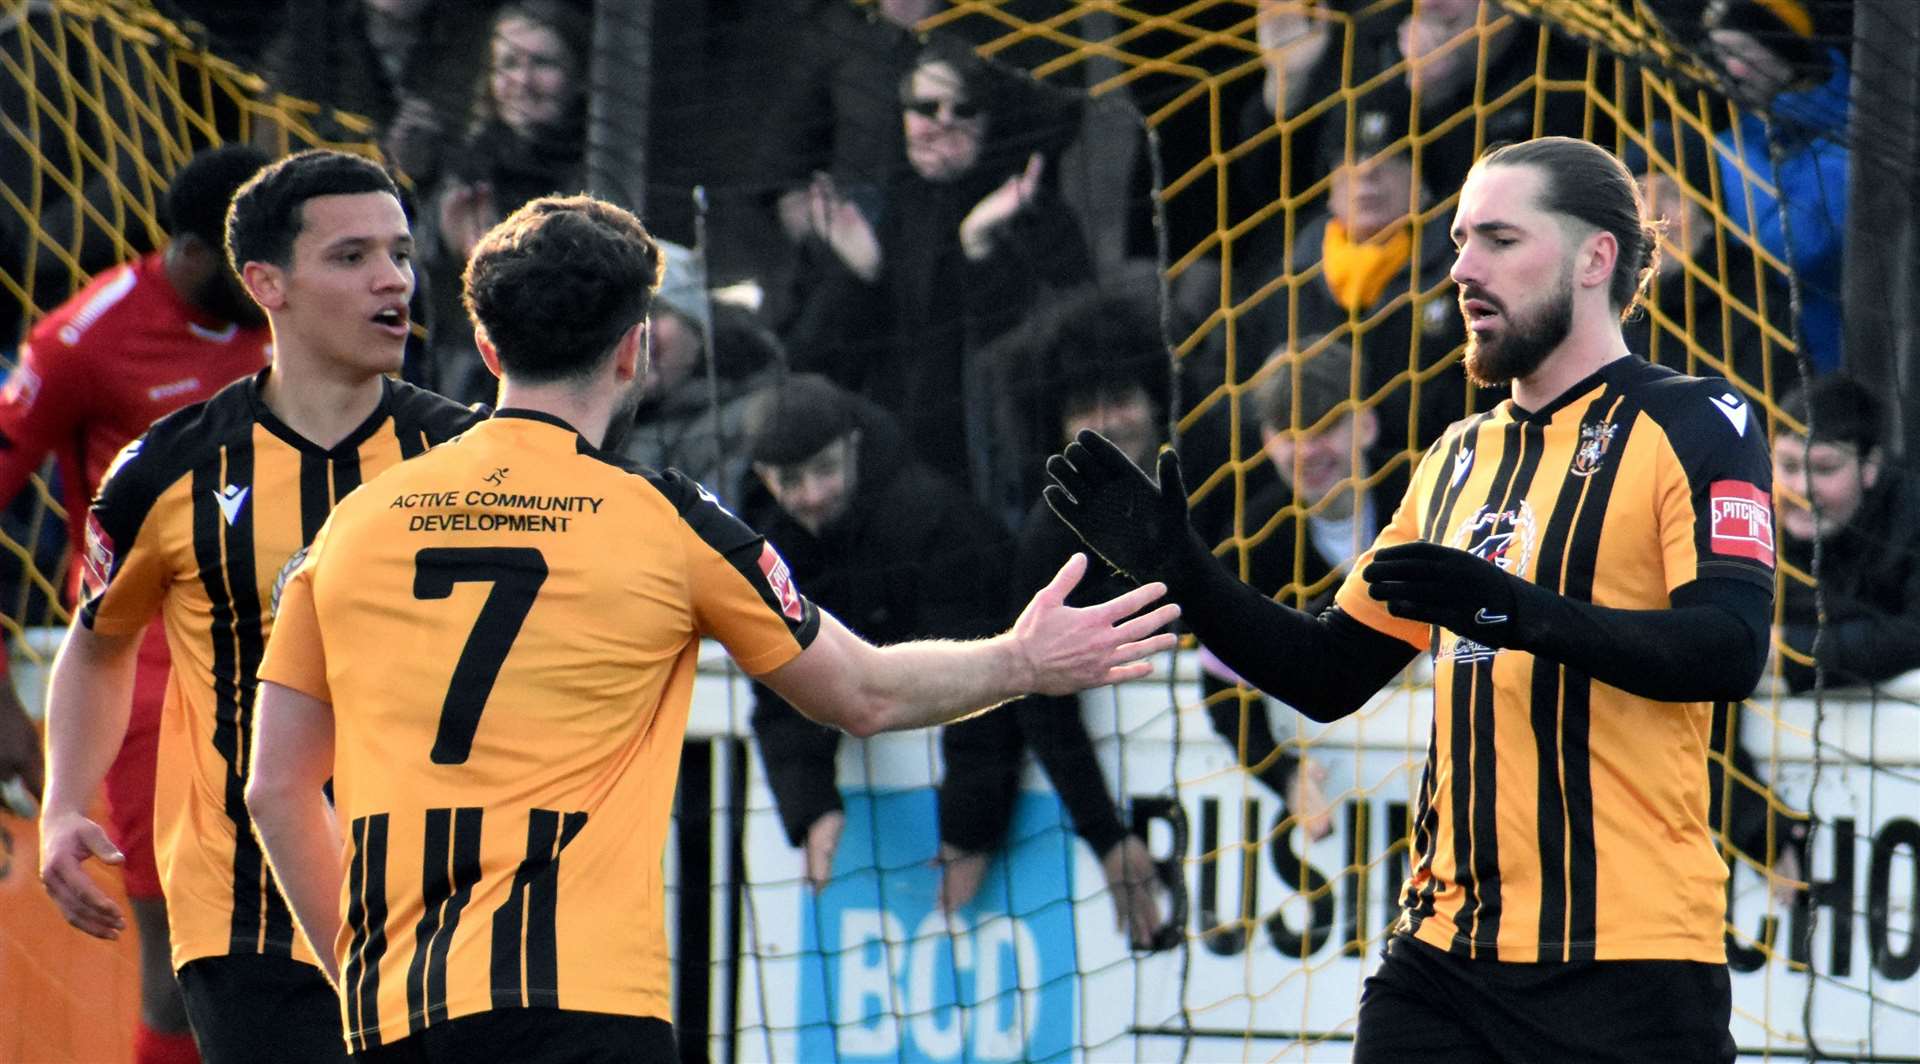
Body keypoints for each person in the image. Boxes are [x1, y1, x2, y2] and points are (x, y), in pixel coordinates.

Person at [243, 193, 1178, 1060]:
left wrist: (362, 975)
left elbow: (276, 789)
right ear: (633, 350)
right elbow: (864, 693)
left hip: (401, 1009)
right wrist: (1021, 658)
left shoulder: (356, 524)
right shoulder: (664, 519)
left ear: (487, 350)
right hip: (587, 1004)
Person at [1045, 136, 1774, 1062]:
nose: (1462, 268)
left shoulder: (1698, 423)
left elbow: (1730, 648)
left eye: (1500, 241)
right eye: (1461, 240)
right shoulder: (1457, 458)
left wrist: (1521, 615)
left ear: (1597, 258)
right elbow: (1327, 671)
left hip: (1627, 963)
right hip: (1441, 958)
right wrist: (1185, 571)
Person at [36, 148, 485, 1063]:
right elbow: (99, 643)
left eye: (399, 253)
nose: (392, 278)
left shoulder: (470, 458)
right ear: (265, 282)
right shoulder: (167, 468)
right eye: (352, 256)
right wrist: (61, 805)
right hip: (243, 909)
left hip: (439, 894)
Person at [0, 143, 272, 1064]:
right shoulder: (80, 340)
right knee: (190, 973)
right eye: (253, 257)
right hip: (159, 688)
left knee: (327, 962)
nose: (272, 277)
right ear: (196, 252)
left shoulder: (307, 319)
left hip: (313, 674)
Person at [781, 34, 1092, 498]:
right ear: (903, 116)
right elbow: (810, 363)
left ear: (990, 122)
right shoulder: (868, 212)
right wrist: (859, 276)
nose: (943, 122)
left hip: (1001, 474)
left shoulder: (1033, 212)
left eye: (964, 109)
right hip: (888, 475)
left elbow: (1060, 343)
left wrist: (979, 247)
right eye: (927, 107)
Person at [736, 373, 1013, 891]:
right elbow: (781, 688)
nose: (813, 495)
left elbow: (987, 676)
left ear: (853, 448)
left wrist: (970, 834)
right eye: (791, 481)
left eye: (825, 470)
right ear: (763, 477)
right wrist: (811, 807)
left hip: (986, 776)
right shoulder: (764, 549)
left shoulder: (937, 523)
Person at [1704, 0, 1849, 373]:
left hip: (1844, 355)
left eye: (1743, 52)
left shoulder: (1848, 132)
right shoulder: (1749, 135)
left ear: (1785, 50)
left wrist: (1724, 153)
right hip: (1773, 361)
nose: (1731, 69)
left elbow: (1797, 248)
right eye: (1721, 53)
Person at [1771, 375, 1920, 692]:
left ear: (1870, 468)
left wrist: (1788, 648)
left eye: (1824, 469)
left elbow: (1913, 634)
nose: (1801, 490)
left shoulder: (1909, 520)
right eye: (1787, 466)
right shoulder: (1754, 520)